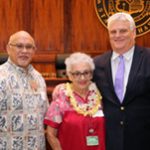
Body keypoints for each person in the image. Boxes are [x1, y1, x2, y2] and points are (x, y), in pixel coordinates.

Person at [93, 12, 150, 150]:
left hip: (143, 140)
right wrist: (63, 88)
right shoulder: (97, 63)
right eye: (113, 32)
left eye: (123, 31)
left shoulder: (148, 58)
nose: (117, 35)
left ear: (133, 32)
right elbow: (81, 87)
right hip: (110, 140)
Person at [44, 52, 105, 150]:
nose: (82, 78)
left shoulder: (101, 94)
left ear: (91, 74)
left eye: (86, 72)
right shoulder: (61, 97)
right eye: (77, 74)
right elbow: (51, 134)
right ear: (69, 75)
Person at [0, 31, 48, 150]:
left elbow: (46, 113)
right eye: (19, 46)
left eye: (29, 47)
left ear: (34, 51)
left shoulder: (39, 77)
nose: (25, 51)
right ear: (8, 48)